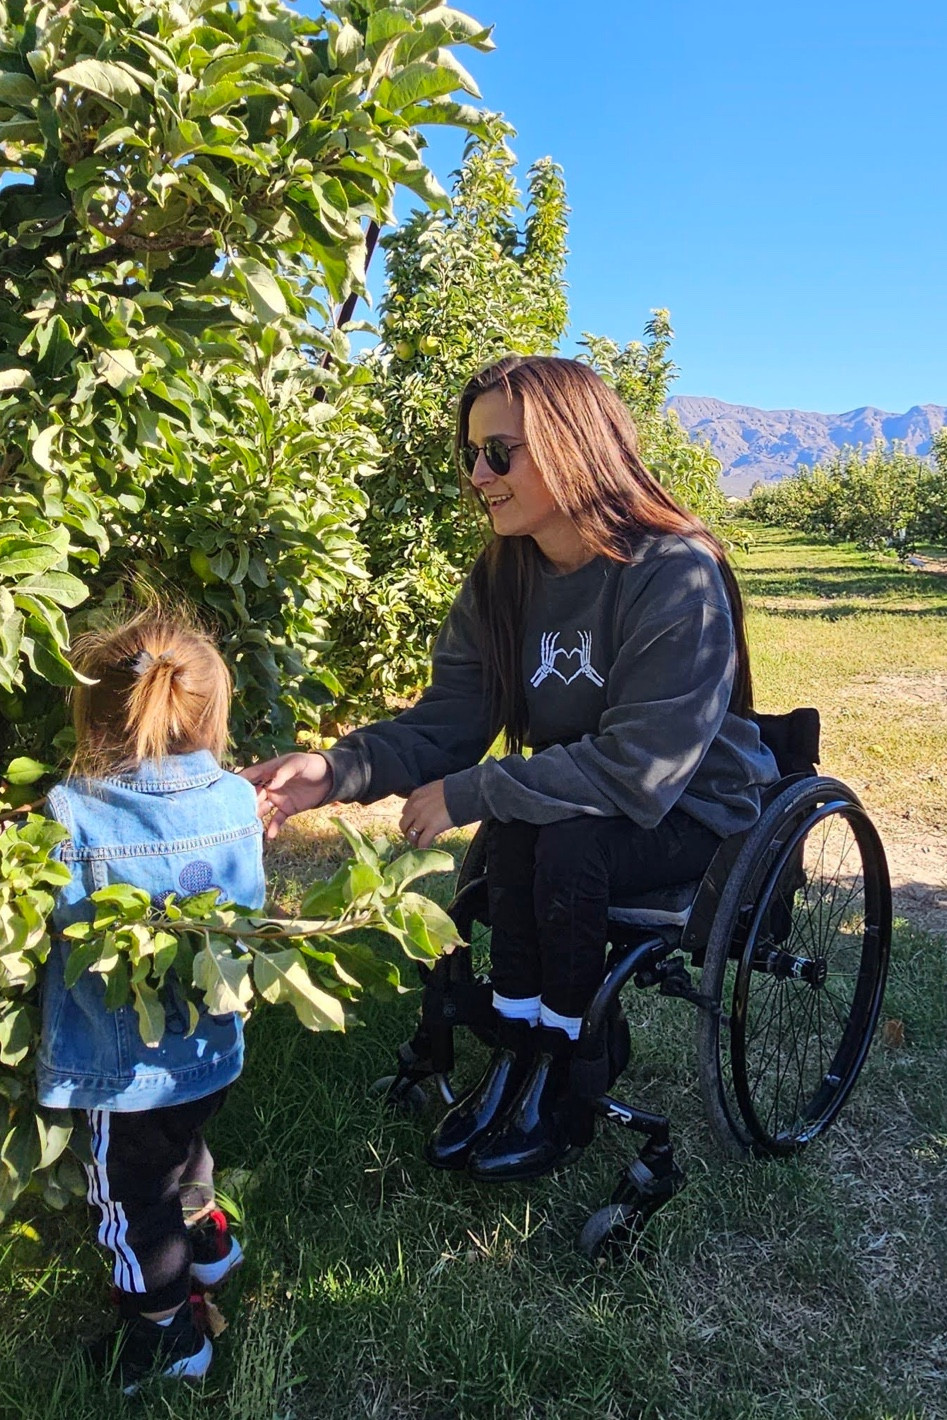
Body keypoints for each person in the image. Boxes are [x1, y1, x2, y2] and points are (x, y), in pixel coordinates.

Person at [244, 355, 778, 1182]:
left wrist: (473, 791)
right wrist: (332, 770)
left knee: (552, 835)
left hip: (691, 814)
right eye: (470, 455)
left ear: (575, 445)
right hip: (579, 806)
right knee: (530, 830)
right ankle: (525, 1051)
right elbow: (451, 719)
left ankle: (570, 1068)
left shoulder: (672, 572)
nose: (477, 476)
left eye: (500, 452)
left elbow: (643, 768)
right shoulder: (505, 574)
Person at [38, 611, 265, 1392]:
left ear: (94, 717)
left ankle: (168, 1335)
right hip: (210, 1051)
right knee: (183, 1150)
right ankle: (212, 1245)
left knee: (130, 1201)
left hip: (124, 1066)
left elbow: (58, 920)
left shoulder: (71, 810)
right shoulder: (238, 797)